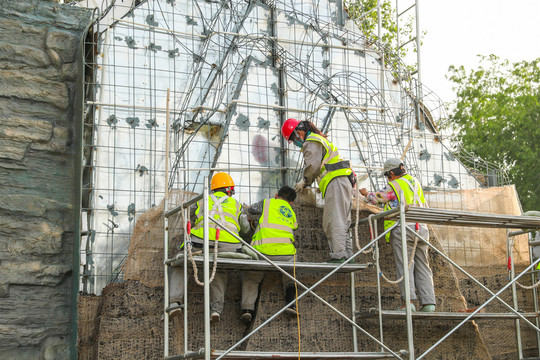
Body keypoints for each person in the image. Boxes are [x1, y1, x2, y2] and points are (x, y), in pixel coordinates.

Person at [168, 172, 250, 323]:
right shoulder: (237, 204)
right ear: (229, 190)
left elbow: (190, 217)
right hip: (229, 245)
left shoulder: (200, 201)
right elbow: (245, 230)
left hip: (200, 242)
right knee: (219, 267)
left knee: (180, 262)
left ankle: (174, 302)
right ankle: (216, 309)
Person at [359, 158, 436, 312]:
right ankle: (429, 303)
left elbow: (377, 198)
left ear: (392, 173)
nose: (388, 178)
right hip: (421, 227)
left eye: (388, 175)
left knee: (405, 266)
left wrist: (366, 193)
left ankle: (408, 303)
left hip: (404, 228)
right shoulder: (414, 182)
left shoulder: (394, 185)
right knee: (422, 265)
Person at [281, 118, 356, 262]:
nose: (296, 143)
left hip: (336, 181)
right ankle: (347, 255)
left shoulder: (311, 141)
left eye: (293, 138)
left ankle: (340, 255)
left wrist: (305, 180)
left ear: (299, 132)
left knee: (333, 220)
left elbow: (313, 166)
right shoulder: (319, 139)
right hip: (342, 180)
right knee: (342, 219)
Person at [240, 186, 299, 323]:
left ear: (276, 195)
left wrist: (253, 220)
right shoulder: (291, 212)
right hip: (286, 254)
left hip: (262, 251)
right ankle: (292, 304)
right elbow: (294, 226)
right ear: (291, 203)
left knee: (251, 276)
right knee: (291, 275)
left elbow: (251, 210)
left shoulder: (267, 202)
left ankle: (247, 310)